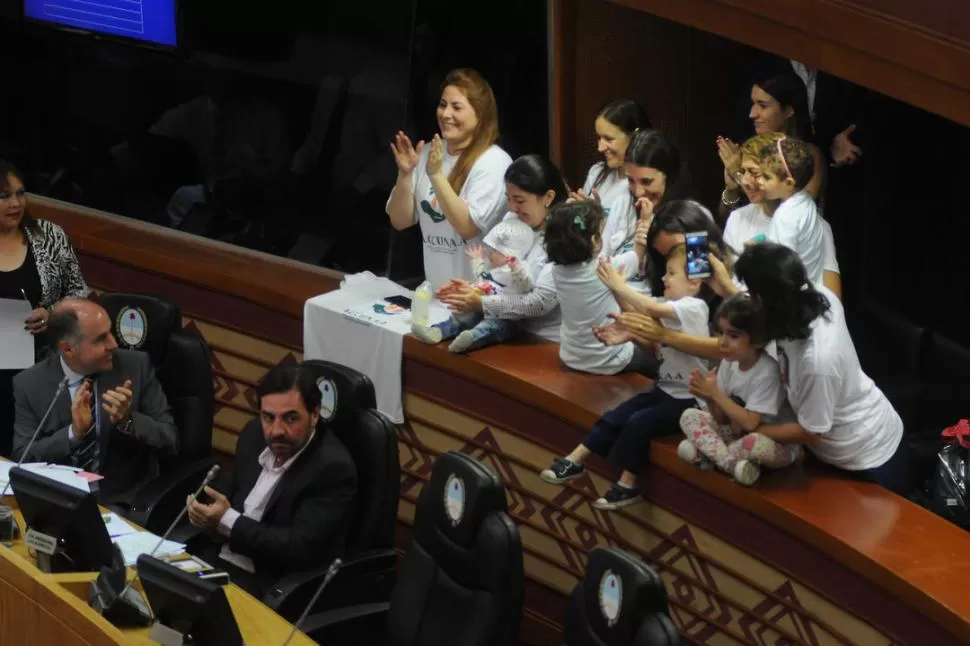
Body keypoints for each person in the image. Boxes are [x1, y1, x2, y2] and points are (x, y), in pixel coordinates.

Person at [540, 244, 710, 510]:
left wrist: (618, 285)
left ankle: (627, 484)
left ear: (695, 283)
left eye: (672, 273)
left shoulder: (695, 307)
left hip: (689, 399)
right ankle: (574, 460)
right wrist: (628, 329)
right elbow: (641, 320)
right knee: (618, 413)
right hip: (664, 390)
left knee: (639, 423)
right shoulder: (669, 304)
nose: (664, 278)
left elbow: (648, 308)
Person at [731, 244, 910, 495]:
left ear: (764, 300)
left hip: (868, 458)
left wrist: (750, 429)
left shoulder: (817, 361)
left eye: (750, 294)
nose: (747, 300)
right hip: (833, 447)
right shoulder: (811, 295)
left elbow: (812, 432)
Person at [186, 364, 357, 596]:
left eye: (290, 418)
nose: (276, 430)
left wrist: (226, 519)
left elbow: (297, 546)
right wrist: (204, 508)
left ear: (315, 414)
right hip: (218, 558)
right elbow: (231, 485)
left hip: (267, 584)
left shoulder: (333, 468)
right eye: (268, 417)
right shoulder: (254, 434)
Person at [12, 299, 178, 504]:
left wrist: (128, 420)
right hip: (57, 499)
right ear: (68, 348)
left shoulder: (136, 367)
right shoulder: (29, 384)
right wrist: (73, 434)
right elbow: (23, 457)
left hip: (119, 503)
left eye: (111, 332)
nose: (113, 344)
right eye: (100, 339)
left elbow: (170, 441)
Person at [386, 68, 512, 289]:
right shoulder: (427, 152)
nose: (445, 114)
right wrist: (405, 175)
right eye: (443, 105)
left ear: (480, 114)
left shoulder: (494, 162)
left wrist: (435, 175)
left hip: (479, 299)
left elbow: (467, 227)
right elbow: (400, 220)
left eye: (457, 107)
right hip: (437, 292)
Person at [0, 161, 89, 457]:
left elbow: (80, 294)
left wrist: (52, 313)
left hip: (39, 371)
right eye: (4, 196)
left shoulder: (49, 237)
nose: (15, 204)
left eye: (20, 194)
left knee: (29, 457)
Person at [435, 154, 567, 343]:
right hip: (512, 331)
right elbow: (500, 277)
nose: (513, 208)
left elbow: (539, 303)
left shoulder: (564, 237)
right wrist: (475, 290)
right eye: (509, 199)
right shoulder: (515, 225)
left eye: (520, 201)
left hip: (546, 341)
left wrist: (481, 303)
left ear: (548, 197)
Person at [678, 293, 802, 486]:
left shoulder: (768, 371)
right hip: (738, 433)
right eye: (721, 333)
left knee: (753, 442)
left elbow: (751, 423)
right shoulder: (729, 362)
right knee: (689, 415)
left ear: (758, 341)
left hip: (773, 442)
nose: (722, 342)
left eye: (733, 335)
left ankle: (711, 456)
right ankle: (732, 464)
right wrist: (710, 399)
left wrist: (715, 393)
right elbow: (721, 419)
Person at [545, 201, 657, 377]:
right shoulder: (605, 267)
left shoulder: (557, 271)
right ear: (595, 241)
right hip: (610, 359)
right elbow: (637, 254)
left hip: (571, 356)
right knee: (660, 363)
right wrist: (646, 220)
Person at [723, 135, 842, 299]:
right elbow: (732, 284)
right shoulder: (737, 218)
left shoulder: (814, 223)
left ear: (786, 178)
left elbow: (832, 295)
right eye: (742, 172)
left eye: (756, 173)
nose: (745, 181)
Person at [412, 218, 534, 353]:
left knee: (491, 328)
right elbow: (481, 275)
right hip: (480, 309)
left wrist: (516, 269)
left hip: (504, 318)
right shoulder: (494, 269)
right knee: (461, 318)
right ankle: (437, 332)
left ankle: (471, 339)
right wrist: (477, 260)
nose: (490, 254)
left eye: (496, 251)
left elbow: (526, 286)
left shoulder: (519, 270)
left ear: (511, 255)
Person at [717, 71, 825, 219]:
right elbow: (726, 218)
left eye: (762, 106)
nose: (752, 114)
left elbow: (797, 217)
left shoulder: (810, 156)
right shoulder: (748, 152)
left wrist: (739, 176)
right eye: (753, 104)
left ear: (787, 110)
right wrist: (732, 189)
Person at [601, 130, 702, 281]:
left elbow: (699, 274)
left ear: (669, 176)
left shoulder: (693, 214)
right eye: (631, 181)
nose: (639, 192)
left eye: (646, 182)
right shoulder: (622, 203)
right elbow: (602, 262)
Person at [756, 134, 825, 287]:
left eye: (766, 177)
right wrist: (761, 240)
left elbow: (782, 268)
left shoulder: (785, 215)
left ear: (788, 182)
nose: (759, 181)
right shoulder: (806, 201)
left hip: (792, 299)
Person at [571, 99, 652, 215]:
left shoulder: (646, 184)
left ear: (635, 136)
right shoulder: (596, 172)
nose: (600, 148)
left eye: (609, 139)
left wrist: (598, 218)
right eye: (599, 138)